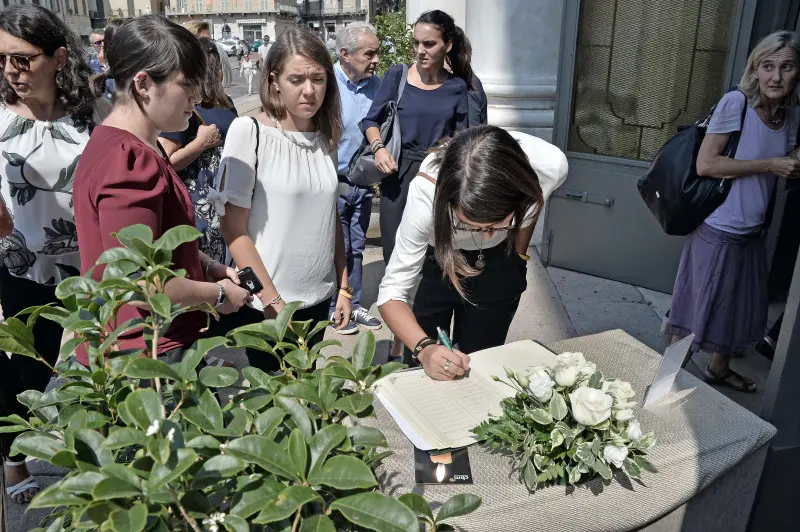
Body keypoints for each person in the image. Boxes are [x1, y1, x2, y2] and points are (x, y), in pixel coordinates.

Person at [74, 16, 251, 368]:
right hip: (147, 353)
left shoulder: (120, 143)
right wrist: (217, 296)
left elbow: (154, 245)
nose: (197, 98)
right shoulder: (129, 161)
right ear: (143, 84)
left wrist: (207, 265)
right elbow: (141, 285)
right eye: (187, 86)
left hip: (147, 342)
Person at [0, 4, 110, 504]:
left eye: (21, 60)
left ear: (59, 57)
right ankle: (14, 457)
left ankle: (101, 455)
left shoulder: (91, 110)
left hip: (88, 263)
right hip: (20, 262)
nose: (10, 72)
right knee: (31, 367)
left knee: (99, 361)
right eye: (1, 61)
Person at [377, 126, 567, 380]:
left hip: (501, 259)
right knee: (429, 368)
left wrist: (519, 253)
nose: (485, 235)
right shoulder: (426, 193)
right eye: (468, 225)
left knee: (483, 362)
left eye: (495, 224)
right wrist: (424, 349)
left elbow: (535, 201)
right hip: (439, 261)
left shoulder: (550, 167)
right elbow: (391, 292)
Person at [215, 28, 352, 373]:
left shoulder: (326, 138)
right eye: (297, 79)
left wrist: (344, 285)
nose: (309, 90)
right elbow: (234, 229)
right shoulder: (250, 132)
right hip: (267, 306)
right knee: (272, 408)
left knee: (305, 397)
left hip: (318, 300)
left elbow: (328, 215)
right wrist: (272, 302)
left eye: (318, 79)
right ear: (274, 80)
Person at [670, 30, 800, 393]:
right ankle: (664, 382)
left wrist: (790, 162)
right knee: (694, 311)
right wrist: (771, 164)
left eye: (787, 67)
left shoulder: (787, 116)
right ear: (755, 69)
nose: (776, 77)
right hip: (718, 227)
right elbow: (706, 164)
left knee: (737, 304)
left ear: (797, 73)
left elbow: (782, 161)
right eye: (768, 66)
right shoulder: (736, 103)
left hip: (753, 229)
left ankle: (718, 369)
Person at [362, 9, 470, 358]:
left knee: (429, 261)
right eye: (416, 44)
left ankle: (418, 340)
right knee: (397, 261)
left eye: (429, 44)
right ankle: (399, 344)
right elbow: (371, 119)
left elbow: (466, 138)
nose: (420, 51)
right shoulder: (397, 76)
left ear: (447, 45)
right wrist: (378, 148)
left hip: (437, 177)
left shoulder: (458, 87)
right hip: (398, 173)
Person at [160, 37, 237, 265]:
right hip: (200, 206)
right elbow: (165, 162)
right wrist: (199, 144)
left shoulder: (226, 102)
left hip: (227, 200)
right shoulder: (185, 108)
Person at [329, 22, 382, 335]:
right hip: (330, 182)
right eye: (369, 53)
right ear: (345, 55)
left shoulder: (376, 86)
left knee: (357, 246)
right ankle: (331, 306)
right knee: (333, 247)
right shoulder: (326, 84)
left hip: (361, 181)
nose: (375, 60)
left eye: (376, 52)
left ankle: (355, 303)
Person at [184, 21, 232, 88]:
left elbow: (225, 79)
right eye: (202, 40)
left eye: (209, 40)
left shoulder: (213, 55)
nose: (208, 44)